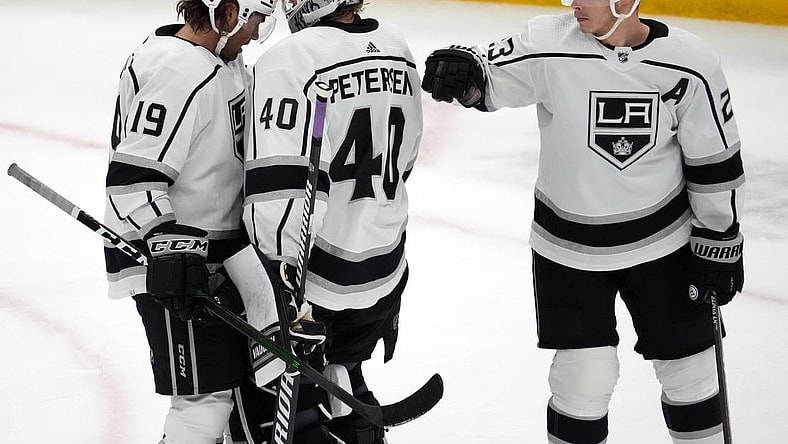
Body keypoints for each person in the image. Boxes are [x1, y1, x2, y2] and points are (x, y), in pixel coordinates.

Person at [421, 0, 744, 443]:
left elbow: (715, 163)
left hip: (664, 247)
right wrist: (464, 73)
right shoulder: (550, 41)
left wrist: (719, 239)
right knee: (582, 381)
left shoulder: (692, 64)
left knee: (691, 374)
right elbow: (491, 73)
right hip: (567, 251)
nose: (573, 2)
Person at [242, 1, 423, 442]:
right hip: (383, 270)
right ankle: (350, 404)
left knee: (276, 416)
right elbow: (409, 152)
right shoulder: (396, 46)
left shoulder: (290, 58)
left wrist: (280, 285)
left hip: (313, 283)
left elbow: (281, 191)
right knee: (345, 382)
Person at [103, 1, 278, 442]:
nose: (256, 34)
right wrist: (166, 249)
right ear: (231, 10)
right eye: (256, 20)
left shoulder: (220, 61)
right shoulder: (175, 69)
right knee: (204, 403)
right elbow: (133, 181)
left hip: (223, 261)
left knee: (241, 396)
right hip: (176, 267)